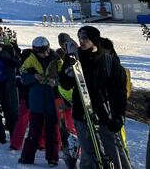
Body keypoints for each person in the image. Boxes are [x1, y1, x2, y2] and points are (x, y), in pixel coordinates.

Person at [59, 26, 131, 169]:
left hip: (105, 111)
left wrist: (118, 115)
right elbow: (65, 85)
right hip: (82, 111)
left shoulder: (108, 61)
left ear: (94, 40)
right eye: (79, 38)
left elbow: (119, 91)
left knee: (113, 148)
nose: (81, 41)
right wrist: (67, 69)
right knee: (88, 151)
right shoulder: (75, 58)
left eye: (85, 38)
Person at [18, 37, 61, 167]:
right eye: (39, 51)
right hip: (36, 100)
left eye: (44, 50)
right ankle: (27, 157)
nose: (43, 53)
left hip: (51, 99)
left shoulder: (57, 60)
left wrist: (55, 82)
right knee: (34, 130)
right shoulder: (31, 59)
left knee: (52, 130)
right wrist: (34, 77)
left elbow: (64, 77)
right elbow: (23, 76)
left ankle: (52, 158)